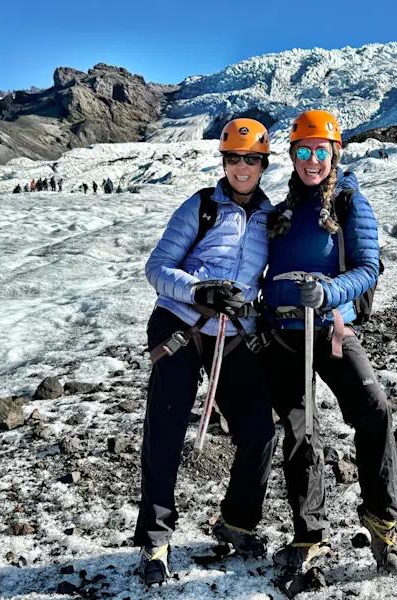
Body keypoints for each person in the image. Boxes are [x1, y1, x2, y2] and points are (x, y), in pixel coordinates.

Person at [136, 119, 278, 586]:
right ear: (223, 161)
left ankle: (236, 520)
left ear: (263, 164)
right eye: (234, 158)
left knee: (259, 430)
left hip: (234, 332)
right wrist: (199, 291)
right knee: (167, 427)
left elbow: (265, 283)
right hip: (181, 323)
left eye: (251, 159)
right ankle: (155, 538)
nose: (242, 167)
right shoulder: (201, 207)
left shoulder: (269, 218)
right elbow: (157, 267)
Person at [262, 110, 397, 574]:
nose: (311, 161)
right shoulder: (281, 211)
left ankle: (383, 521)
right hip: (284, 336)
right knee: (301, 433)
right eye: (303, 151)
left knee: (374, 409)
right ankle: (310, 535)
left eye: (320, 151)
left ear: (334, 153)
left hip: (332, 331)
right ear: (292, 155)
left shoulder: (349, 203)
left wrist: (328, 291)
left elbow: (367, 268)